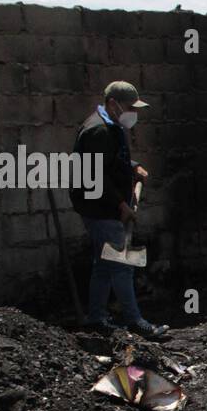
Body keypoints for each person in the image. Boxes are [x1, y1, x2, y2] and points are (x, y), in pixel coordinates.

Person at [71, 81, 167, 339]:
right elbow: (95, 175)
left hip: (105, 207)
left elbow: (112, 160)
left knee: (104, 264)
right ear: (113, 104)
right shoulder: (97, 131)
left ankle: (96, 318)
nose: (133, 114)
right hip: (99, 208)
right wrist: (121, 204)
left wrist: (133, 166)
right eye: (129, 108)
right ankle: (134, 321)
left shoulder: (111, 126)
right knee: (122, 262)